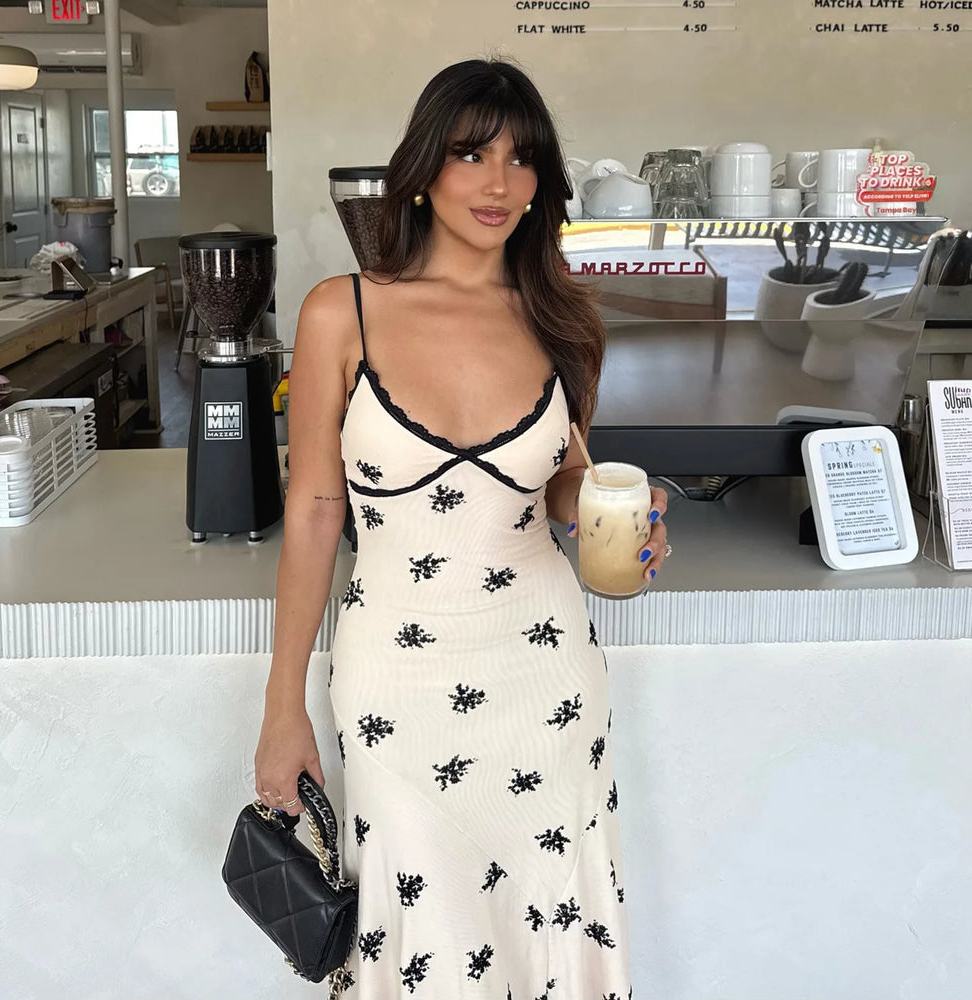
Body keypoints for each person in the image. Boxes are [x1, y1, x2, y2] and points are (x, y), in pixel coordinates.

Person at [254, 57, 669, 998]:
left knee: (551, 909)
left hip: (544, 670)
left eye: (522, 160)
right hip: (395, 678)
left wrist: (627, 514)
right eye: (472, 153)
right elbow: (314, 510)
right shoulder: (342, 311)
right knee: (418, 931)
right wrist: (284, 707)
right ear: (422, 169)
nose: (498, 182)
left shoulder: (564, 318)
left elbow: (564, 481)